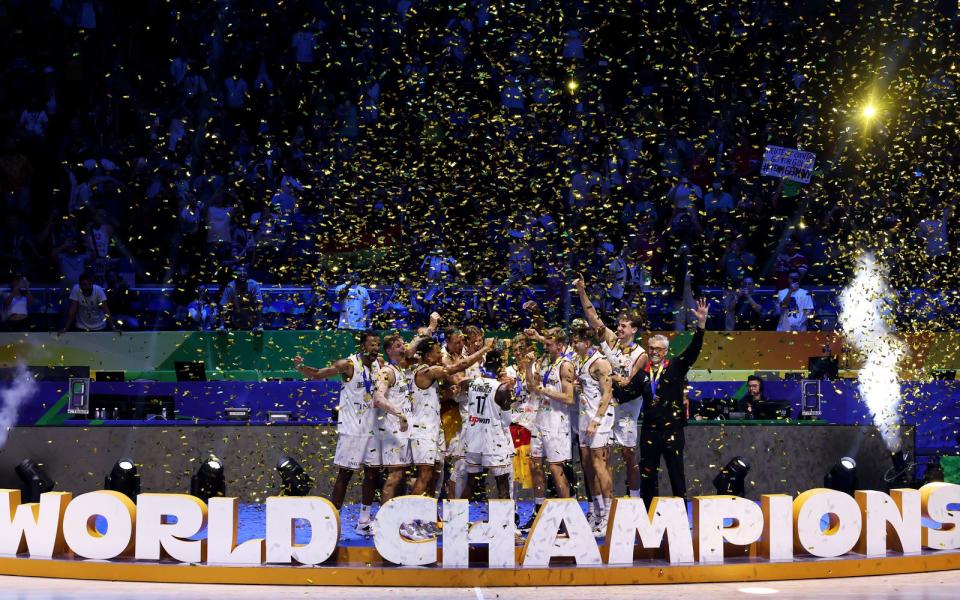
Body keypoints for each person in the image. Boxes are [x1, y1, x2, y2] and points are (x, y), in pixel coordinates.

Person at [614, 299, 710, 506]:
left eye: (658, 349)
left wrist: (701, 325)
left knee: (676, 470)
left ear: (665, 351)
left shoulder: (675, 367)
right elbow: (625, 395)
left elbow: (693, 350)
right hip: (650, 430)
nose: (654, 352)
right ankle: (649, 513)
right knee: (648, 472)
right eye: (651, 348)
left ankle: (682, 514)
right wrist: (608, 378)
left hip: (673, 429)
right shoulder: (643, 374)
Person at [292, 331, 383, 535]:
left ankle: (364, 521)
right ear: (362, 346)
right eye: (371, 345)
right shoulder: (348, 365)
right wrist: (300, 367)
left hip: (373, 430)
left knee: (372, 474)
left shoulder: (378, 365)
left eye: (378, 344)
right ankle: (332, 522)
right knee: (345, 475)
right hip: (352, 430)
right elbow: (318, 374)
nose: (375, 348)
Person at [574, 276, 647, 498]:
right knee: (602, 457)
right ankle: (608, 503)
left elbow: (627, 384)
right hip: (606, 407)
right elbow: (593, 318)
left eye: (624, 326)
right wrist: (581, 291)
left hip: (627, 410)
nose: (619, 328)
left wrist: (612, 377)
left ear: (634, 329)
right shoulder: (612, 341)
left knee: (628, 455)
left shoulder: (640, 354)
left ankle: (634, 498)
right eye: (619, 325)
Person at [523, 327, 576, 530]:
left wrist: (544, 390)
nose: (544, 346)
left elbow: (569, 398)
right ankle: (538, 512)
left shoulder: (566, 365)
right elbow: (531, 386)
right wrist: (528, 367)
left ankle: (566, 517)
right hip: (540, 419)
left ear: (560, 346)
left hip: (557, 422)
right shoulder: (544, 362)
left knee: (555, 468)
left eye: (548, 344)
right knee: (535, 465)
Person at [570, 327, 614, 537]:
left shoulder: (601, 363)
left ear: (586, 343)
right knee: (587, 465)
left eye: (576, 341)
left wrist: (596, 420)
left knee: (599, 464)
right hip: (584, 416)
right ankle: (597, 512)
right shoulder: (581, 360)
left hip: (600, 418)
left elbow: (607, 394)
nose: (573, 344)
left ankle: (608, 516)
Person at [460, 349, 515, 503]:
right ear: (500, 367)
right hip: (493, 441)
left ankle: (457, 523)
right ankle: (505, 525)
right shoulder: (502, 389)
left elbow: (460, 384)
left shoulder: (472, 383)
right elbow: (506, 421)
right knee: (502, 485)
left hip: (474, 440)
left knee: (471, 483)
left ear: (484, 363)